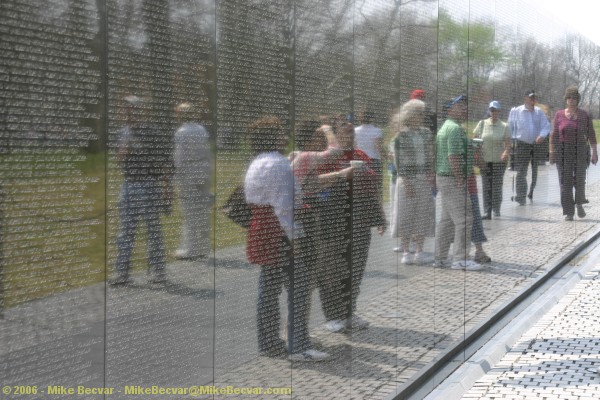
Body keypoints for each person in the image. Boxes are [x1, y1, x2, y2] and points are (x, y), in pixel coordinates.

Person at [244, 116, 329, 362]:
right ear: (272, 138)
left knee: (268, 289)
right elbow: (284, 208)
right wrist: (296, 240)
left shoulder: (257, 162)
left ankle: (269, 342)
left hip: (261, 229)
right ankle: (299, 346)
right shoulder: (279, 164)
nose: (285, 136)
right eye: (280, 132)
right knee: (298, 287)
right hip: (280, 230)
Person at [316, 122, 386, 333]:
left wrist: (380, 216)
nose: (350, 138)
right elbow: (317, 183)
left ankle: (349, 311)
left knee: (355, 268)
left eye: (352, 134)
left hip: (359, 220)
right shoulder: (327, 156)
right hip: (334, 221)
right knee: (332, 269)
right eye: (346, 134)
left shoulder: (361, 155)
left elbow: (373, 188)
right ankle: (332, 315)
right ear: (336, 136)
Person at [110, 95, 173, 286]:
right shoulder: (123, 132)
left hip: (149, 185)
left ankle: (158, 272)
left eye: (131, 109)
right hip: (128, 185)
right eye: (124, 109)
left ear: (139, 110)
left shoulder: (152, 132)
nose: (127, 112)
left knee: (153, 230)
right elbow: (119, 159)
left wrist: (167, 188)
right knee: (125, 231)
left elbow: (166, 161)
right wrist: (124, 149)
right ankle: (122, 273)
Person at [434, 95, 482, 271]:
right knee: (465, 219)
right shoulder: (454, 129)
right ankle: (460, 258)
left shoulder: (447, 127)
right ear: (450, 109)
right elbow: (452, 156)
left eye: (464, 105)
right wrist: (460, 177)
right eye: (460, 105)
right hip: (453, 178)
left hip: (445, 178)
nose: (464, 109)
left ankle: (439, 257)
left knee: (447, 220)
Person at [389, 99, 435, 265]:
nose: (422, 116)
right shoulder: (400, 136)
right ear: (411, 115)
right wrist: (407, 183)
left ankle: (419, 251)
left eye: (423, 113)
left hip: (423, 178)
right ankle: (406, 251)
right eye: (419, 113)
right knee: (406, 214)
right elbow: (398, 163)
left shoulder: (426, 133)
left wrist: (432, 174)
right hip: (406, 180)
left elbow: (431, 155)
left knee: (422, 214)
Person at [550, 86, 598, 220]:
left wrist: (594, 152)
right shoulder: (559, 115)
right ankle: (569, 211)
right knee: (565, 182)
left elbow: (591, 134)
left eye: (574, 98)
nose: (572, 100)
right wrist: (552, 151)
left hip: (580, 150)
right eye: (569, 97)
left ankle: (579, 203)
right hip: (563, 151)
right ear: (566, 99)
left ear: (578, 100)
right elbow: (554, 135)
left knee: (579, 179)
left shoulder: (584, 115)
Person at [173, 103, 213, 260]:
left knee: (189, 212)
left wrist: (177, 178)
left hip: (188, 173)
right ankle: (203, 247)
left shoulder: (181, 132)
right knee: (202, 211)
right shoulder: (201, 130)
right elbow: (207, 152)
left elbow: (179, 158)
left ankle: (190, 249)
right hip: (203, 169)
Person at [508, 90, 551, 205]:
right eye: (531, 98)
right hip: (522, 144)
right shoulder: (516, 111)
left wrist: (542, 135)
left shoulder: (539, 112)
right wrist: (512, 141)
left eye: (534, 98)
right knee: (521, 171)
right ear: (525, 98)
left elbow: (546, 126)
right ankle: (520, 196)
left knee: (535, 171)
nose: (533, 100)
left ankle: (531, 191)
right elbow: (511, 127)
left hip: (536, 144)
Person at [473, 101, 510, 219]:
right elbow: (475, 140)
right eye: (492, 110)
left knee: (497, 185)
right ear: (489, 111)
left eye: (496, 110)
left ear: (499, 111)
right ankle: (487, 211)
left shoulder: (504, 126)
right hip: (485, 160)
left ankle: (496, 208)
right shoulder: (482, 124)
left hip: (499, 161)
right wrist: (477, 155)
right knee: (486, 185)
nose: (494, 112)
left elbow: (508, 143)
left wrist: (505, 152)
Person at [354, 110, 385, 197]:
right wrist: (385, 157)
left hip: (360, 162)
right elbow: (379, 147)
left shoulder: (355, 130)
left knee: (361, 188)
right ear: (372, 118)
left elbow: (354, 147)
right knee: (377, 188)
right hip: (374, 161)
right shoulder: (377, 131)